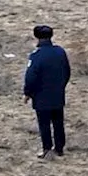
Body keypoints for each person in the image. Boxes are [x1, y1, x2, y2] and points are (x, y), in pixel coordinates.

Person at [23, 24, 71, 160]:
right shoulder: (60, 52)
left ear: (37, 37)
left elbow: (31, 76)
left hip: (41, 95)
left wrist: (28, 93)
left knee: (44, 123)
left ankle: (47, 148)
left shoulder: (36, 56)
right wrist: (61, 86)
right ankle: (60, 148)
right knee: (58, 122)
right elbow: (67, 71)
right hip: (57, 93)